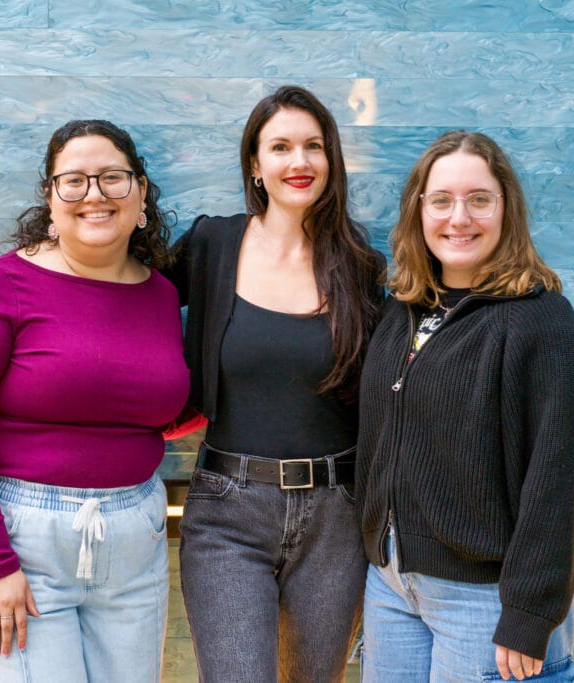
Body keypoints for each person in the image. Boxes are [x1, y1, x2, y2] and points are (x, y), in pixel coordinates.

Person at [0, 120, 188, 682]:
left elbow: (160, 406)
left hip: (133, 542)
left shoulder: (161, 295)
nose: (94, 194)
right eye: (74, 181)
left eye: (112, 178)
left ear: (141, 193)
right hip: (17, 537)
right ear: (51, 198)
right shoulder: (1, 285)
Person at [355, 130, 574, 682]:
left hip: (485, 600)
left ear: (505, 209)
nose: (458, 218)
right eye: (441, 200)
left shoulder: (540, 320)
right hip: (393, 584)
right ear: (418, 211)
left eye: (479, 199)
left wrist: (530, 611)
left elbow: (563, 474)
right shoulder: (404, 312)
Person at [165, 85, 386, 682]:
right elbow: (128, 300)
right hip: (227, 512)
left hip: (337, 516)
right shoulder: (213, 244)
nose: (300, 162)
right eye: (281, 146)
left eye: (314, 147)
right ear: (255, 166)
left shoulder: (359, 264)